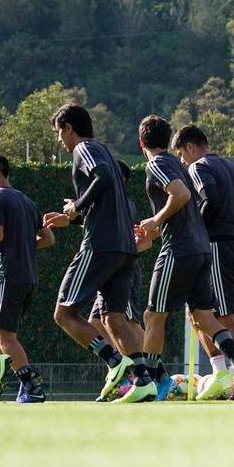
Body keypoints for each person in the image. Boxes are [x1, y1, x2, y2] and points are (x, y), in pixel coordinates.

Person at [132, 115, 234, 403]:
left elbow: (181, 194)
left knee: (153, 315)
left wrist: (155, 219)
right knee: (203, 316)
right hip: (202, 248)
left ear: (142, 143)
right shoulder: (180, 164)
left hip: (180, 249)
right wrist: (154, 231)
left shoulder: (158, 163)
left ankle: (148, 382)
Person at [45, 103, 140, 402]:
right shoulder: (107, 153)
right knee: (114, 319)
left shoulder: (84, 150)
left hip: (101, 245)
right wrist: (73, 217)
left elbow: (102, 180)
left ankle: (115, 362)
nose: (60, 140)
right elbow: (106, 197)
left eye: (60, 132)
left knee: (63, 312)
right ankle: (144, 380)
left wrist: (76, 206)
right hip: (124, 248)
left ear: (69, 128)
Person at [171, 125, 234, 397]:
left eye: (181, 154)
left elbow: (210, 199)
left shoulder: (198, 167)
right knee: (199, 314)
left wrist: (196, 230)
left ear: (191, 147)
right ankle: (221, 373)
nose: (182, 162)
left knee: (225, 319)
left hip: (218, 247)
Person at [0, 155, 55, 403]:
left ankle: (31, 386)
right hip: (27, 276)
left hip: (8, 276)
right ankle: (19, 375)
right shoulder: (28, 201)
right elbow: (48, 238)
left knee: (5, 337)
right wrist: (23, 244)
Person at [87, 161, 145, 378]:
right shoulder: (108, 204)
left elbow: (141, 241)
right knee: (96, 322)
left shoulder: (124, 205)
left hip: (123, 269)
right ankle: (123, 369)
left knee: (130, 323)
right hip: (108, 271)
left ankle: (155, 374)